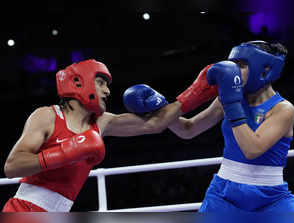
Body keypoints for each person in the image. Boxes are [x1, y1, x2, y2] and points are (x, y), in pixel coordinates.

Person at [2, 59, 217, 212]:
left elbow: (155, 123)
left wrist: (194, 93)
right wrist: (65, 152)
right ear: (80, 82)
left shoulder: (101, 123)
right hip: (24, 210)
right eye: (101, 83)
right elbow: (12, 167)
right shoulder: (47, 116)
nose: (107, 91)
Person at [167, 40, 294, 212]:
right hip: (224, 194)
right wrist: (160, 109)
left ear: (265, 69)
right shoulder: (226, 99)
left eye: (242, 66)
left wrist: (231, 103)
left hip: (271, 199)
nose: (234, 72)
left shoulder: (283, 110)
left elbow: (252, 149)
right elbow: (188, 129)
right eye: (233, 65)